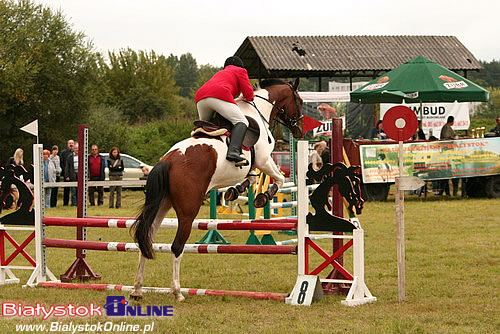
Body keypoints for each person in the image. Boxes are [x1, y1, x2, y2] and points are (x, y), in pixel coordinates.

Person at [195, 56, 254, 165]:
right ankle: (234, 151)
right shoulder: (241, 71)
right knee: (242, 122)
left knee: (204, 127)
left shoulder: (220, 73)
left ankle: (196, 148)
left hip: (200, 97)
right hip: (219, 95)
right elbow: (249, 95)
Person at [60, 139, 74, 206]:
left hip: (74, 174)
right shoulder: (63, 153)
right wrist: (65, 172)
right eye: (69, 143)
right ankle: (65, 203)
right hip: (66, 174)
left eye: (72, 143)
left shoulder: (76, 152)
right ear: (67, 144)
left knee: (74, 190)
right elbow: (62, 163)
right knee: (66, 190)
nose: (71, 144)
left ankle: (74, 203)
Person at [64, 142, 78, 206]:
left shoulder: (83, 156)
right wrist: (67, 176)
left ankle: (80, 203)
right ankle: (74, 204)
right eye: (75, 148)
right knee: (73, 191)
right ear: (73, 149)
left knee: (80, 191)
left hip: (80, 175)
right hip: (73, 175)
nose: (77, 149)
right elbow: (67, 167)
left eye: (78, 148)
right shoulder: (69, 156)